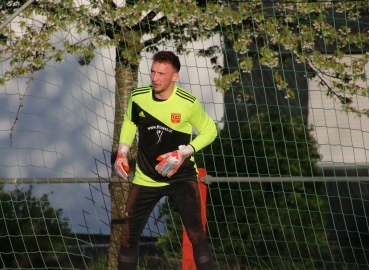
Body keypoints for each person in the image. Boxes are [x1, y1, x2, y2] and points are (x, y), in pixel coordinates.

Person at [114, 50, 217, 270]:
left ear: (174, 76)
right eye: (153, 72)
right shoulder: (138, 96)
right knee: (127, 238)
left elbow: (210, 131)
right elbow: (130, 122)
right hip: (146, 179)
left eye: (161, 73)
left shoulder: (188, 103)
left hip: (180, 177)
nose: (155, 78)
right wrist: (122, 150)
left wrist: (184, 152)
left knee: (196, 234)